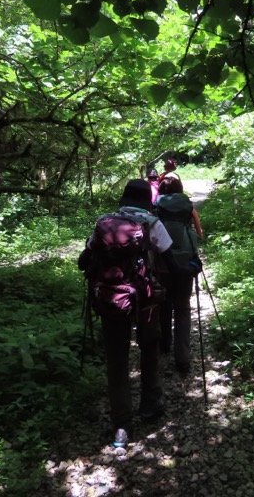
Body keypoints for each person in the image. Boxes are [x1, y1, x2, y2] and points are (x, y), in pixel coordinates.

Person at [78, 179, 195, 448]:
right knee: (149, 347)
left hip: (112, 299)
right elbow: (171, 266)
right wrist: (189, 268)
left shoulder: (105, 222)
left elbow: (82, 262)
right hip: (145, 299)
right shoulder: (152, 224)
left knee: (117, 359)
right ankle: (150, 403)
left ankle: (121, 426)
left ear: (123, 200)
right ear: (147, 201)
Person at [154, 176, 203, 375]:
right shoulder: (188, 208)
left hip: (161, 265)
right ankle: (182, 360)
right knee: (182, 310)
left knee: (163, 306)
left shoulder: (155, 209)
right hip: (184, 266)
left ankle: (164, 345)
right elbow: (198, 234)